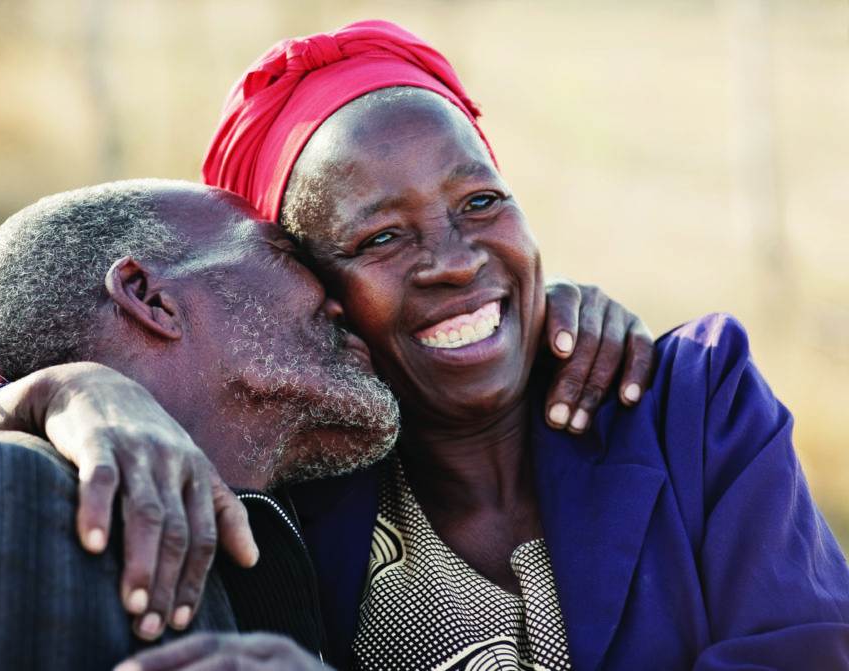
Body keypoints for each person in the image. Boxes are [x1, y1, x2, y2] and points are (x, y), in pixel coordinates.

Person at [201, 19, 849, 670]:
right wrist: (96, 391)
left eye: (481, 200)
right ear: (311, 292)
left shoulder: (697, 407)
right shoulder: (283, 514)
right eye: (382, 238)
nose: (455, 262)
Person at [0, 179, 647, 670]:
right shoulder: (7, 490)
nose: (339, 293)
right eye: (285, 254)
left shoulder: (277, 572)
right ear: (148, 296)